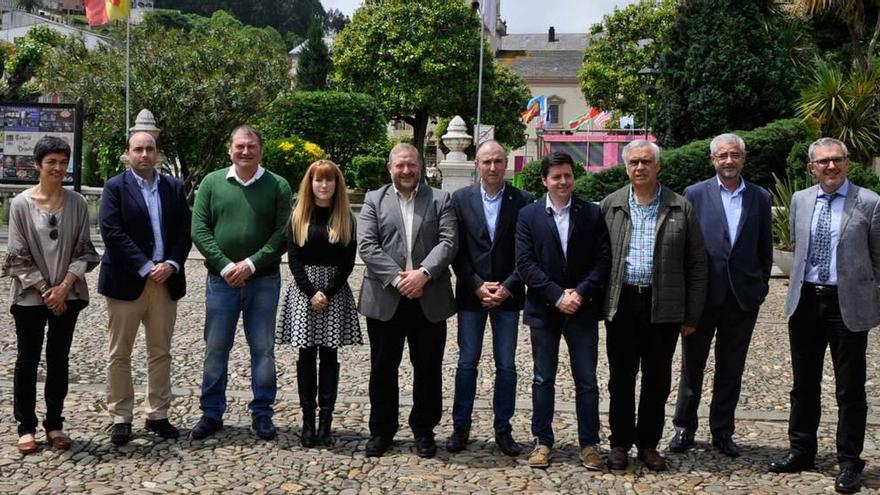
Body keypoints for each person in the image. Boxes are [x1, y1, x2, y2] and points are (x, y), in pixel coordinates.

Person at [769, 138, 880, 494]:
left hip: (846, 304)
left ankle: (849, 461)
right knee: (804, 384)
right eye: (823, 162)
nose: (830, 167)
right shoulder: (801, 200)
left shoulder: (869, 202)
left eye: (837, 160)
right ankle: (801, 450)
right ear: (811, 167)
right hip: (805, 302)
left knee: (850, 388)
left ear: (847, 163)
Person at [600, 140, 707, 471]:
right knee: (620, 378)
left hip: (664, 304)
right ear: (626, 167)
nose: (640, 167)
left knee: (657, 379)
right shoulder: (611, 205)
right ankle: (619, 443)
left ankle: (648, 444)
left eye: (646, 161)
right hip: (623, 302)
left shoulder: (680, 207)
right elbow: (598, 259)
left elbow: (697, 264)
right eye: (634, 162)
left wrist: (692, 313)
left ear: (658, 166)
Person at [669, 133, 772, 458]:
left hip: (741, 299)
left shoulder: (759, 197)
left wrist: (759, 287)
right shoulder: (694, 194)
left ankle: (722, 430)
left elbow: (764, 250)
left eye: (735, 155)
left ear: (743, 158)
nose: (729, 161)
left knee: (732, 367)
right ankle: (684, 426)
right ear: (713, 160)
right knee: (692, 366)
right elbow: (684, 250)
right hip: (702, 298)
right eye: (723, 155)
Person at [190, 125, 292, 441]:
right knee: (216, 349)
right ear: (229, 148)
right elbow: (199, 228)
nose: (245, 151)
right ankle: (211, 413)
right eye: (239, 146)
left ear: (261, 149)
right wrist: (224, 266)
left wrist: (249, 264)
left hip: (263, 280)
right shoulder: (211, 183)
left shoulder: (278, 185)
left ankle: (262, 413)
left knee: (263, 350)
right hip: (221, 282)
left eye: (251, 146)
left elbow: (282, 234)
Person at [357, 143, 457, 459]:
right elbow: (368, 246)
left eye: (411, 165)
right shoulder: (374, 200)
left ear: (420, 167)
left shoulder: (441, 199)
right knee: (383, 368)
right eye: (400, 165)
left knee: (428, 368)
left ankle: (424, 430)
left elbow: (449, 241)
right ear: (390, 168)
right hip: (386, 297)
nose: (406, 171)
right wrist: (402, 279)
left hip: (429, 296)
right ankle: (381, 430)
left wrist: (423, 274)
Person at [2, 136, 99, 454]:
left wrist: (64, 287)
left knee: (59, 359)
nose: (58, 168)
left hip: (67, 296)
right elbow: (17, 255)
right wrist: (46, 290)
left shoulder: (78, 203)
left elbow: (84, 250)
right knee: (27, 360)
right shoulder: (20, 204)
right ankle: (25, 427)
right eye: (51, 162)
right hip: (31, 297)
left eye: (62, 162)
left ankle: (55, 423)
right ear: (37, 165)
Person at [515, 152, 611, 470]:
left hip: (582, 310)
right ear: (545, 180)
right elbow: (525, 263)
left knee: (586, 380)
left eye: (567, 175)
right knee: (543, 379)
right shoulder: (528, 215)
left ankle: (590, 443)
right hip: (545, 310)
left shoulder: (591, 213)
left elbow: (602, 260)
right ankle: (543, 442)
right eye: (556, 176)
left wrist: (580, 294)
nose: (563, 181)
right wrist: (557, 296)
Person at [98, 131, 192, 445]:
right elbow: (111, 231)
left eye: (150, 149)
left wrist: (173, 263)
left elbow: (184, 231)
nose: (144, 154)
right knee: (119, 354)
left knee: (160, 352)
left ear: (158, 154)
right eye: (138, 149)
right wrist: (145, 265)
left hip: (165, 282)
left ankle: (158, 414)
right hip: (126, 282)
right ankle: (121, 416)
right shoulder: (115, 187)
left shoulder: (174, 187)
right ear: (128, 154)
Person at [447, 140, 532, 457]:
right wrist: (475, 284)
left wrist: (508, 286)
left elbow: (527, 251)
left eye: (498, 161)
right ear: (476, 165)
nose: (493, 167)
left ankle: (503, 427)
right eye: (487, 162)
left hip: (508, 298)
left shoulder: (522, 200)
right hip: (472, 296)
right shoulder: (460, 200)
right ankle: (461, 425)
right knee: (467, 363)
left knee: (507, 365)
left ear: (505, 163)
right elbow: (456, 250)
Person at [277, 159, 361, 448]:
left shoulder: (346, 218)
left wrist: (327, 291)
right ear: (310, 184)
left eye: (329, 180)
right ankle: (308, 422)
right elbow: (294, 259)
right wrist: (311, 291)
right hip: (305, 292)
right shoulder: (298, 216)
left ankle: (326, 422)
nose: (324, 185)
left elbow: (348, 262)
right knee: (305, 357)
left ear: (336, 184)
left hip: (334, 293)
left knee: (328, 357)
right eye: (318, 180)